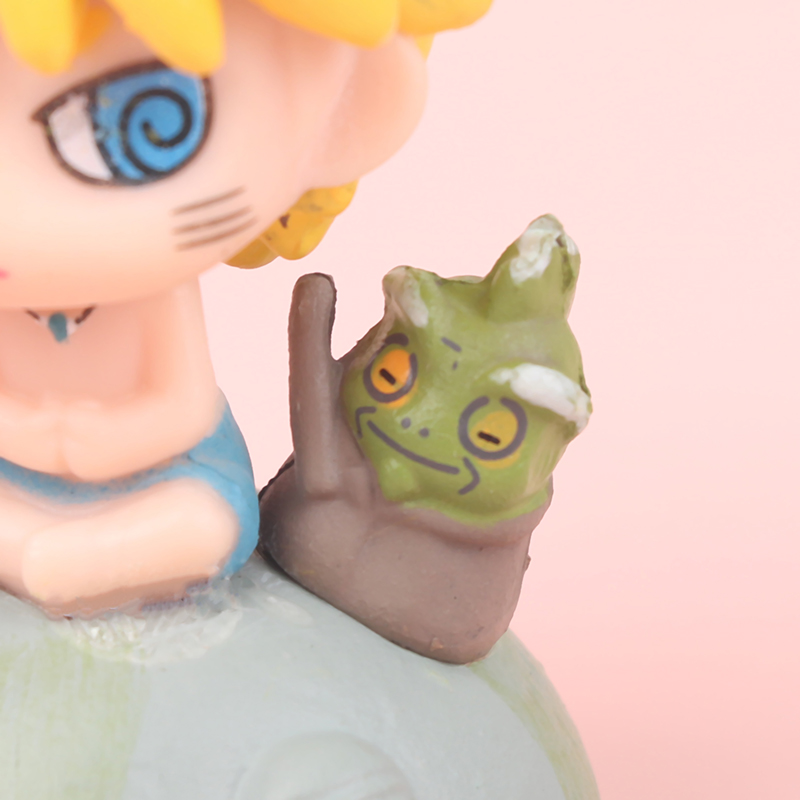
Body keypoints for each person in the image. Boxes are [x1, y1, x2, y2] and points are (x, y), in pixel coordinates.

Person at [0, 0, 490, 616]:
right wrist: (28, 434)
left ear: (354, 106)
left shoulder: (160, 299)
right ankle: (53, 560)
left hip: (163, 473)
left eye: (125, 129)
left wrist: (96, 442)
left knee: (204, 521)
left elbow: (182, 410)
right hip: (17, 472)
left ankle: (73, 559)